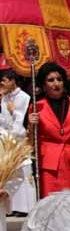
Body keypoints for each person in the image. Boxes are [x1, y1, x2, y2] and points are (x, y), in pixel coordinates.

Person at [26, 62, 70, 198]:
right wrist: (31, 125)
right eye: (50, 80)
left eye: (59, 79)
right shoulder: (36, 107)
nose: (56, 83)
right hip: (49, 167)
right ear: (44, 86)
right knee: (52, 206)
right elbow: (31, 143)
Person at [1, 69, 34, 215]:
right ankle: (13, 206)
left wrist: (14, 112)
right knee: (9, 175)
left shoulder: (25, 97)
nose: (2, 84)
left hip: (19, 142)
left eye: (4, 81)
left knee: (22, 173)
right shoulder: (4, 97)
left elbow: (23, 122)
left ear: (13, 80)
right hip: (6, 141)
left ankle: (25, 207)